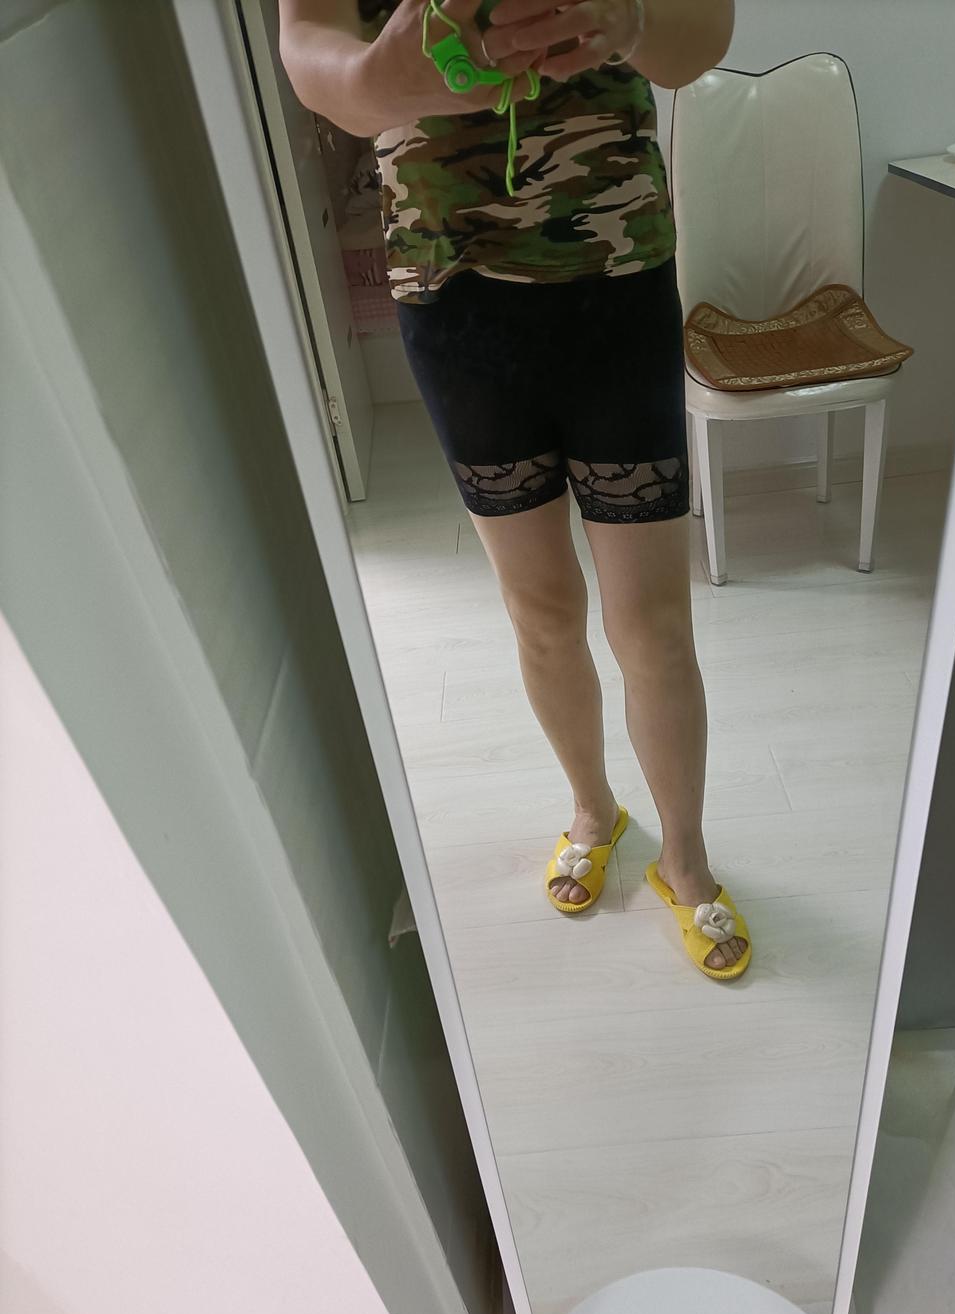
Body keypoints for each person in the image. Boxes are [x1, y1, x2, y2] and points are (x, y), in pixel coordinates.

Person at [280, 0, 750, 979]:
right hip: (452, 292)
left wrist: (629, 20)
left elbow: (703, 36)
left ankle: (685, 857)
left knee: (655, 624)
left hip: (617, 276)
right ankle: (593, 809)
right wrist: (376, 79)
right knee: (540, 610)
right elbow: (308, 48)